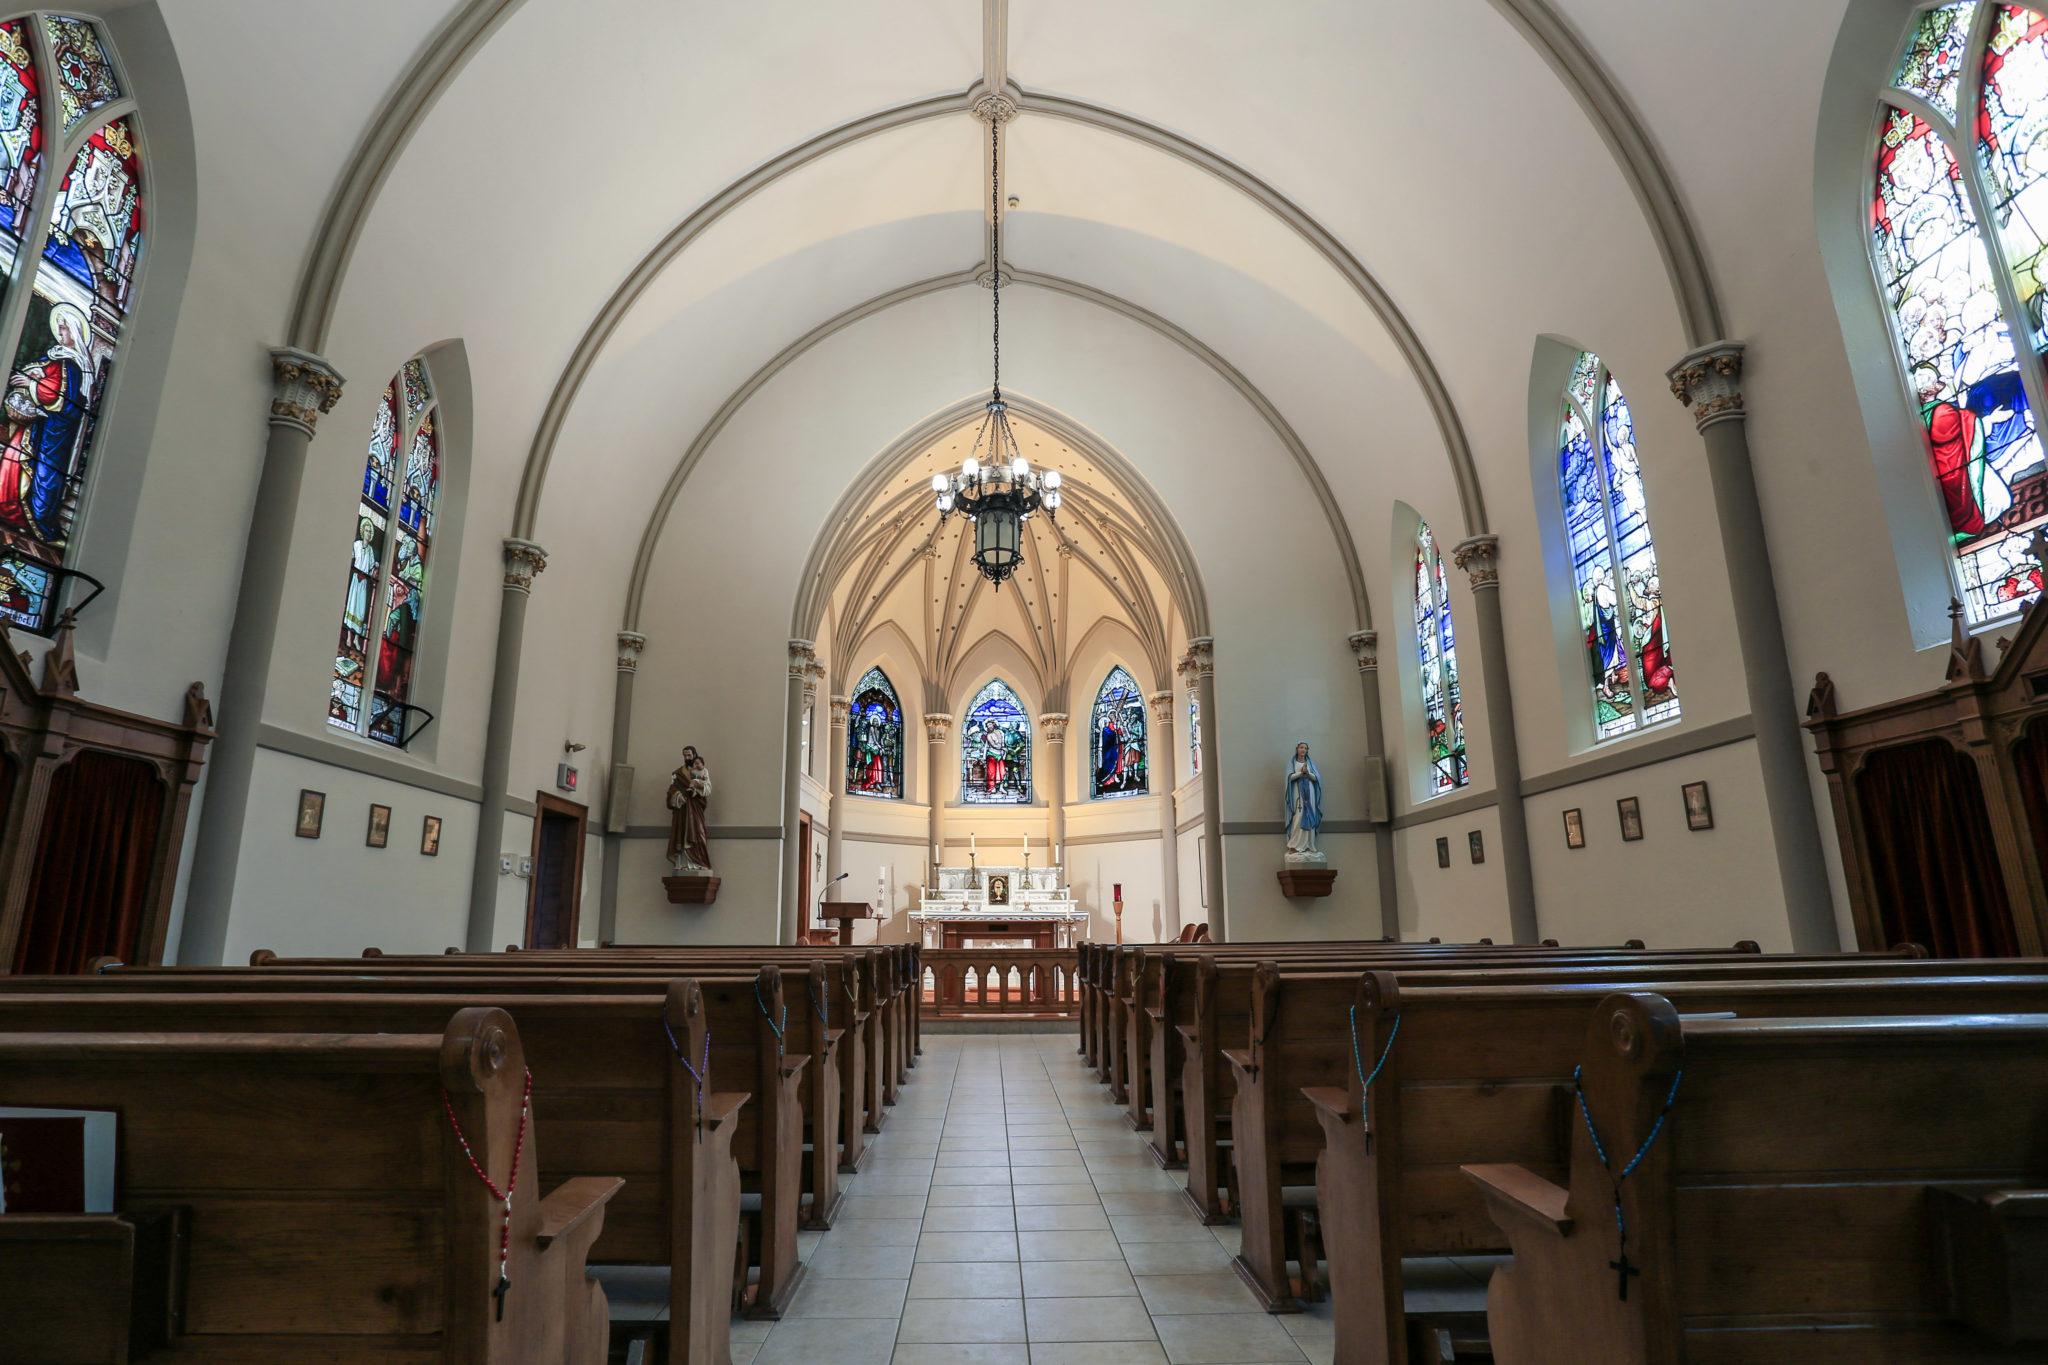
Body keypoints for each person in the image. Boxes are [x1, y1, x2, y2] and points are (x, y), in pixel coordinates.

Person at [5, 303, 93, 541]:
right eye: (60, 328)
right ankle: (12, 511)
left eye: (63, 328)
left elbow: (61, 397)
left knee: (44, 473)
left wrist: (30, 384)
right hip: (37, 423)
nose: (60, 333)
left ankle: (38, 520)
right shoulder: (56, 356)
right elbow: (44, 376)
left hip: (54, 431)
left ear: (73, 332)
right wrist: (34, 376)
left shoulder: (74, 365)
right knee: (13, 458)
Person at [667, 746, 712, 873]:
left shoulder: (702, 771)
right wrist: (677, 797)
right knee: (682, 835)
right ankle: (683, 864)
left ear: (695, 755)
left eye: (689, 755)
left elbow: (708, 789)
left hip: (695, 809)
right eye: (685, 756)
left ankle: (699, 862)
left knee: (698, 833)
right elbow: (671, 791)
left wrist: (700, 786)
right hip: (682, 810)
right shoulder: (677, 773)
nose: (687, 758)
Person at [1283, 742, 1322, 856]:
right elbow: (1289, 778)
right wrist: (1301, 773)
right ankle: (1294, 846)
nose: (1303, 750)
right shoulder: (1293, 763)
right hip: (1298, 794)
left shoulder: (1310, 763)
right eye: (1301, 747)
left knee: (1310, 816)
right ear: (1297, 749)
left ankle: (1309, 845)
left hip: (1310, 794)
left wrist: (1308, 773)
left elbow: (1316, 779)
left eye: (1305, 748)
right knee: (1298, 817)